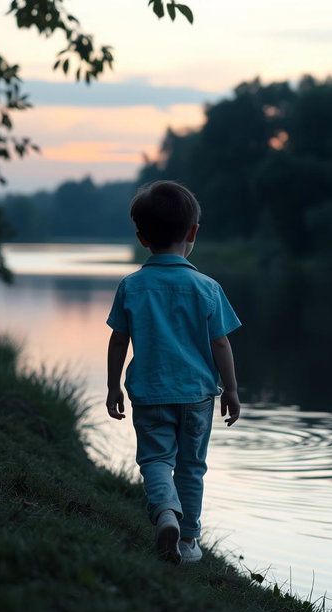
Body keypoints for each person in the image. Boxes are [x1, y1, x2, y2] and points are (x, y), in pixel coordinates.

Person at [105, 180, 241, 565]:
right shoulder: (208, 288)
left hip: (149, 394)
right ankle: (188, 540)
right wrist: (230, 389)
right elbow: (220, 344)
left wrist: (113, 386)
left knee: (156, 460)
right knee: (192, 467)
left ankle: (166, 513)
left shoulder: (131, 286)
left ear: (142, 237)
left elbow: (118, 341)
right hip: (197, 395)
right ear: (193, 233)